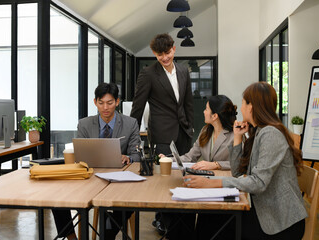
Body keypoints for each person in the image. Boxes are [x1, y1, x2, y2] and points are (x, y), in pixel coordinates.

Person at [183, 82, 307, 240]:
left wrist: (213, 183)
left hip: (278, 221)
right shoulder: (259, 131)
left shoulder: (270, 134)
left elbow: (259, 183)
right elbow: (237, 173)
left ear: (251, 106)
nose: (240, 108)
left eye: (243, 103)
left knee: (216, 222)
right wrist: (237, 137)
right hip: (265, 209)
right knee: (210, 219)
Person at [52, 82, 141, 240]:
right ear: (95, 102)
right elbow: (80, 154)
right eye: (101, 103)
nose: (105, 108)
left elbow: (137, 154)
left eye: (109, 103)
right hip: (89, 177)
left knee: (131, 200)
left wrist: (128, 157)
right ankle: (71, 237)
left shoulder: (130, 123)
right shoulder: (85, 124)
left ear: (117, 102)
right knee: (56, 196)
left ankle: (107, 233)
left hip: (119, 178)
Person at [130, 33, 194, 234]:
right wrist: (133, 137)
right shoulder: (148, 74)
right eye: (160, 54)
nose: (165, 58)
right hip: (162, 133)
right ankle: (164, 221)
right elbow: (137, 106)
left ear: (174, 49)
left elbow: (188, 102)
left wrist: (190, 127)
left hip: (183, 131)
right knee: (164, 178)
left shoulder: (183, 71)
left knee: (183, 175)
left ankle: (181, 220)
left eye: (167, 53)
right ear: (154, 54)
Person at [159, 95, 237, 240]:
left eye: (206, 109)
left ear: (215, 116)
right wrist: (169, 159)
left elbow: (239, 163)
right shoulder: (206, 131)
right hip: (204, 184)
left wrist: (216, 164)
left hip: (223, 186)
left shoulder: (235, 135)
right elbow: (190, 157)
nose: (203, 111)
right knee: (177, 206)